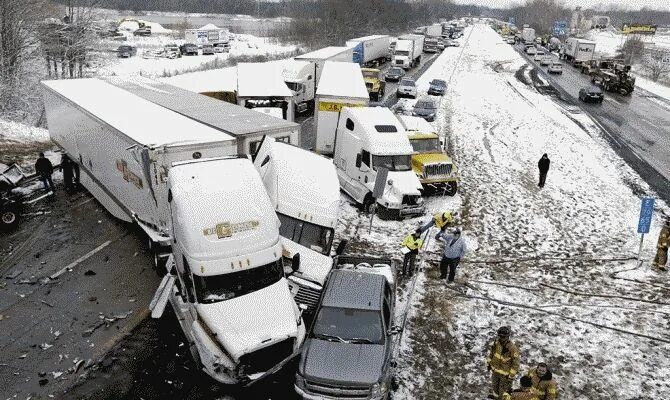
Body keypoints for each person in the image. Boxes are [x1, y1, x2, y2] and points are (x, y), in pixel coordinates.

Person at [487, 326, 521, 399]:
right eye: (500, 336)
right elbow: (492, 354)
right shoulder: (496, 343)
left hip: (505, 375)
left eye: (503, 337)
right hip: (495, 371)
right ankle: (496, 398)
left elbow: (516, 364)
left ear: (508, 337)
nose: (501, 338)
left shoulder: (512, 348)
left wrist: (511, 376)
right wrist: (489, 363)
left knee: (503, 391)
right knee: (495, 387)